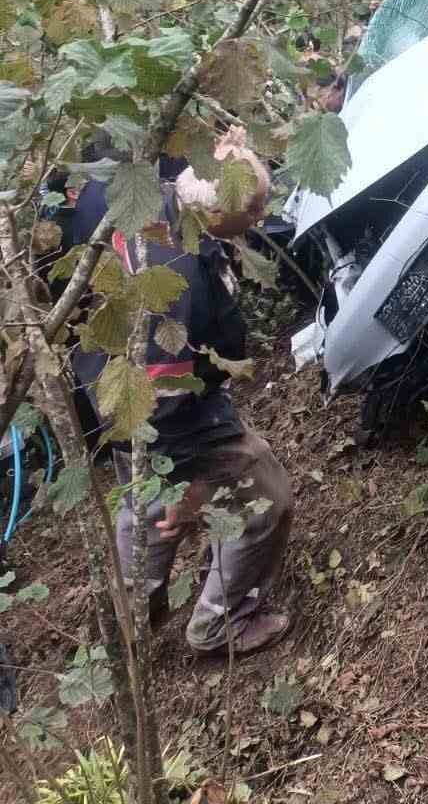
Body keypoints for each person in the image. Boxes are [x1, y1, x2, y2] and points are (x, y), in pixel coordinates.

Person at [71, 132, 293, 653]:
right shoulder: (178, 274)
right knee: (265, 495)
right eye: (256, 209)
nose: (261, 218)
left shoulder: (126, 192)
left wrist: (218, 146)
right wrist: (184, 485)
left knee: (143, 509)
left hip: (107, 389)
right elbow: (163, 400)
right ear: (216, 217)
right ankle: (222, 624)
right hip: (162, 411)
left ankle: (129, 637)